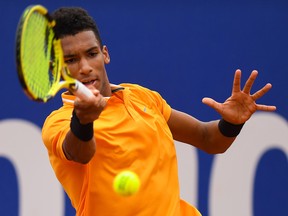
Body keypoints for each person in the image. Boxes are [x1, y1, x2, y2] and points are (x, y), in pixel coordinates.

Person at [41, 7, 276, 216]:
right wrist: (83, 120)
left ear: (105, 54)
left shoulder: (142, 97)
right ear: (56, 69)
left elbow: (208, 138)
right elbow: (80, 152)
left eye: (91, 54)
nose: (84, 67)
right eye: (71, 60)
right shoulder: (58, 123)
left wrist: (231, 123)